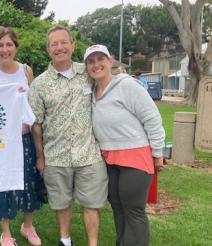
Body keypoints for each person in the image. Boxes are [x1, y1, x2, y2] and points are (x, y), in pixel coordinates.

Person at [28, 26, 108, 246]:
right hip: (56, 155)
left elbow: (110, 84)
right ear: (48, 50)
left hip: (88, 153)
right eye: (54, 44)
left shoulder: (89, 72)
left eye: (64, 42)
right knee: (61, 203)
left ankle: (93, 243)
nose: (60, 47)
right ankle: (65, 240)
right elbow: (36, 124)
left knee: (91, 203)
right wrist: (40, 156)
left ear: (73, 46)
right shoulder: (39, 84)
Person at [84, 44, 165, 246]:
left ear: (110, 62)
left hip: (135, 157)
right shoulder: (92, 92)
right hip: (109, 158)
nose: (96, 65)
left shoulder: (127, 86)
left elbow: (152, 118)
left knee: (133, 210)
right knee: (118, 207)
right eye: (91, 61)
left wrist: (157, 152)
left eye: (100, 59)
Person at [0, 26, 43, 246]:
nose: (5, 49)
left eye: (9, 44)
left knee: (28, 181)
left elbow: (34, 105)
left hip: (25, 138)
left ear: (15, 47)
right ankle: (6, 234)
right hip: (1, 143)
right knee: (3, 184)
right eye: (0, 45)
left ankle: (28, 226)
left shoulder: (26, 71)